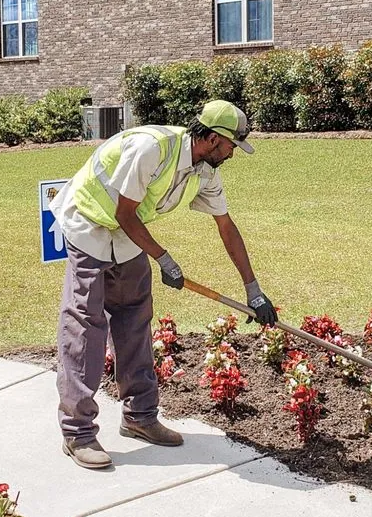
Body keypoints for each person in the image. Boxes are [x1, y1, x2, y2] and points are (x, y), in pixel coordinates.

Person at [50, 99, 278, 469]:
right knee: (86, 326)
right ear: (213, 139)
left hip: (127, 234)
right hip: (89, 222)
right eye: (231, 145)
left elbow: (226, 227)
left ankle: (139, 416)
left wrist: (253, 290)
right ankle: (78, 432)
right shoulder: (152, 149)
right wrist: (164, 259)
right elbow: (124, 212)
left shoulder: (205, 172)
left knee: (135, 318)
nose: (233, 154)